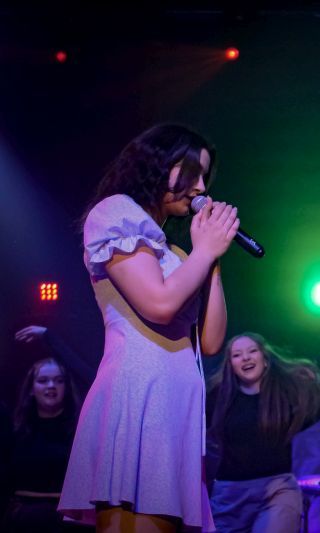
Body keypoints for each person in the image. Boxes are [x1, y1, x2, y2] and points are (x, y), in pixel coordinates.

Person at [58, 124, 240, 532]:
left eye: (204, 177)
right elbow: (158, 304)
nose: (200, 188)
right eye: (191, 172)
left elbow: (211, 342)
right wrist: (204, 251)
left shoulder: (177, 254)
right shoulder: (115, 212)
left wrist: (211, 258)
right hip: (141, 395)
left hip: (178, 406)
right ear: (156, 163)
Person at [206, 332, 320, 532]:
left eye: (252, 351)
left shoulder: (286, 397)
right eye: (237, 355)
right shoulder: (217, 399)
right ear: (231, 365)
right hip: (230, 496)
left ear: (265, 359)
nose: (246, 357)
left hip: (277, 489)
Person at [2, 357, 83, 532]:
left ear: (67, 387)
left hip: (67, 522)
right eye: (43, 380)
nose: (51, 386)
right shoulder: (16, 429)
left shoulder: (80, 430)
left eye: (59, 380)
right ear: (31, 389)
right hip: (23, 521)